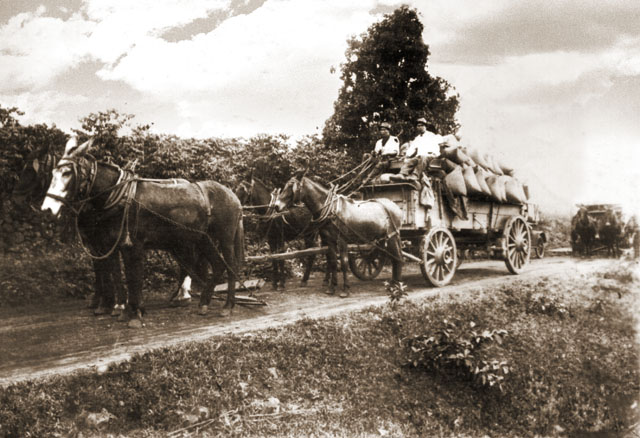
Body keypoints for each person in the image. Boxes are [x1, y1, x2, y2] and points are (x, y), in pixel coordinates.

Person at [392, 117, 444, 182]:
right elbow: (412, 149)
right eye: (418, 126)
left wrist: (437, 153)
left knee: (423, 157)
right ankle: (402, 174)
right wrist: (406, 156)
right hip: (420, 157)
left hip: (431, 156)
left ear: (425, 126)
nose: (420, 127)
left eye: (422, 125)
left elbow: (440, 144)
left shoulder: (432, 135)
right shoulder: (417, 138)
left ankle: (415, 175)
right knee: (411, 160)